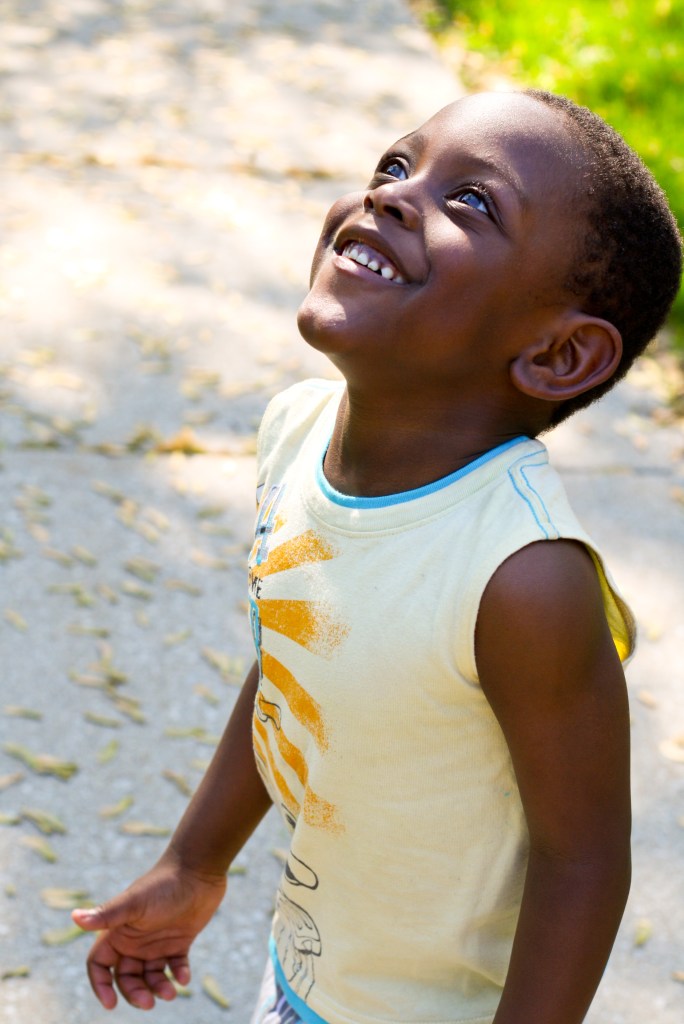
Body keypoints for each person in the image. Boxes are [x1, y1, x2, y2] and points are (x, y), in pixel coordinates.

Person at [72, 90, 682, 1024]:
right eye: (396, 166)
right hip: (309, 977)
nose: (392, 196)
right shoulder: (298, 431)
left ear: (558, 354)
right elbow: (296, 661)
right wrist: (195, 862)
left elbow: (585, 861)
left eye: (471, 202)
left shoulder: (523, 579)